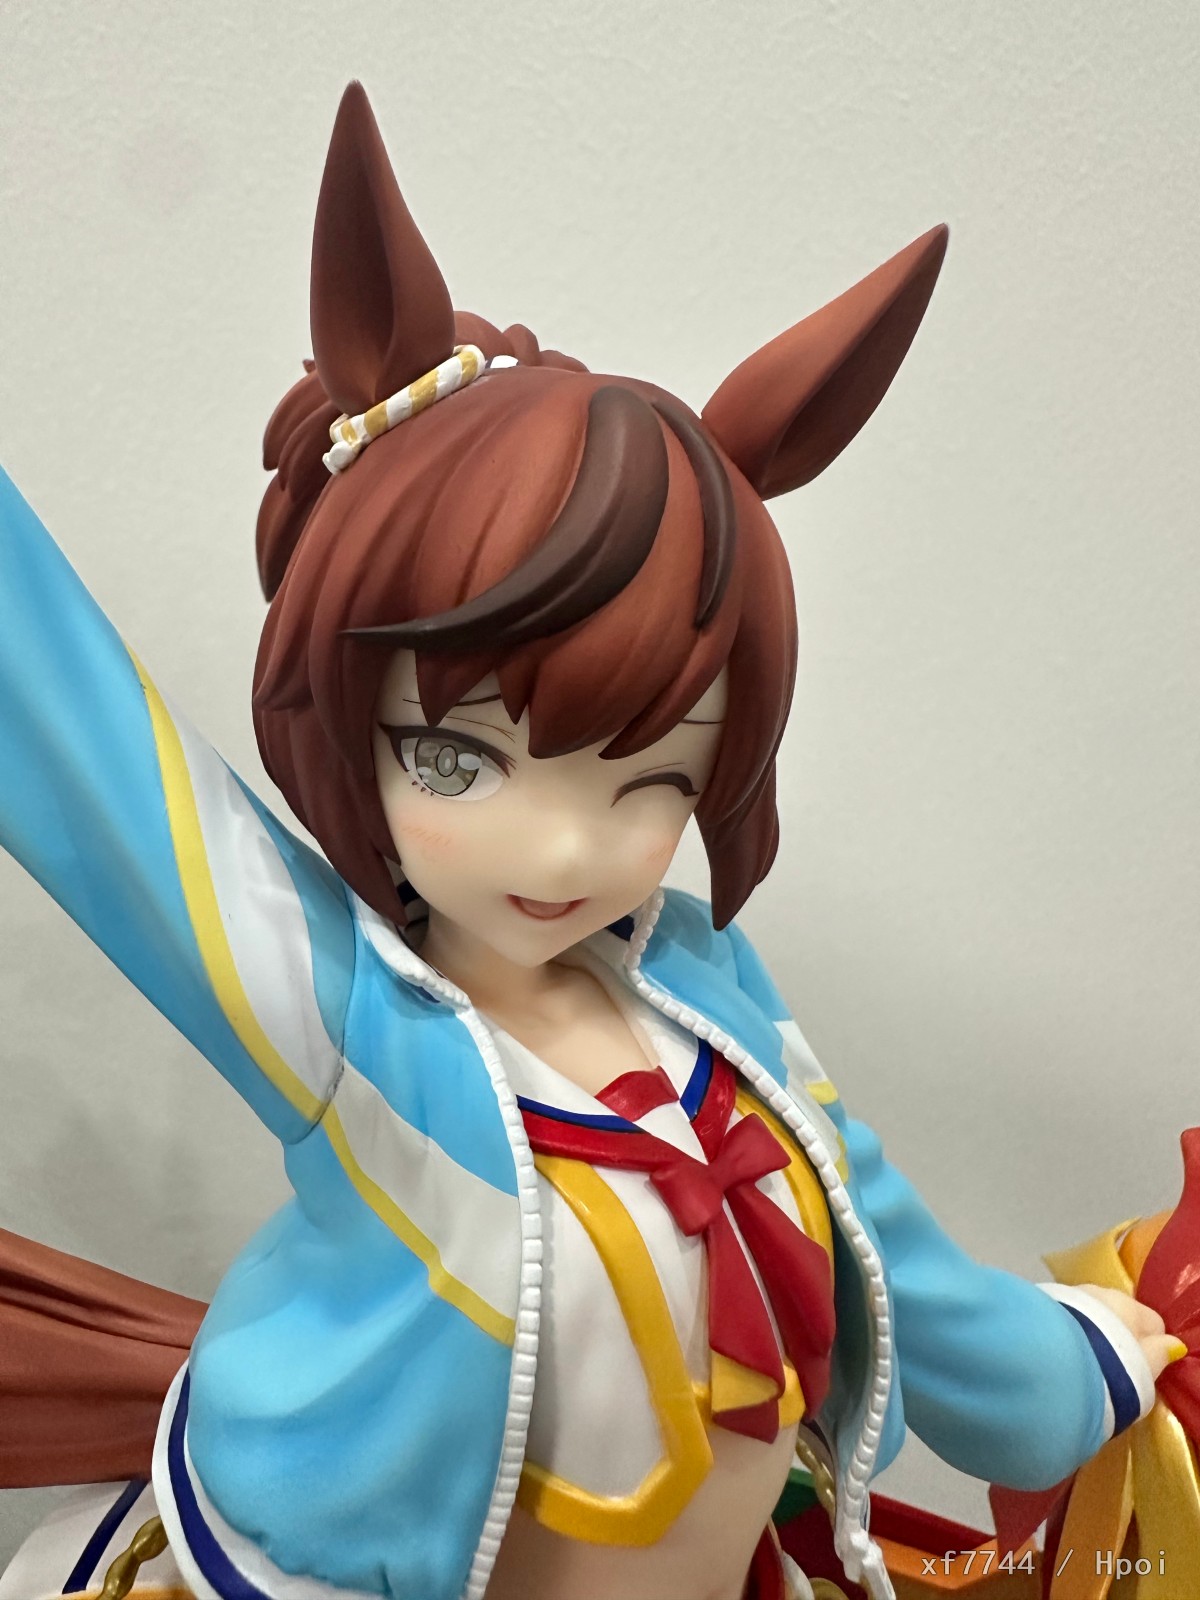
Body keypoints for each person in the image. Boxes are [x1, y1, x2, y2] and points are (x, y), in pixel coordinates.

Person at [0, 82, 1176, 1600]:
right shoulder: (357, 1023)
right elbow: (80, 747)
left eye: (655, 780)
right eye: (458, 758)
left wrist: (1075, 1373)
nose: (561, 851)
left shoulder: (709, 993)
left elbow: (887, 1250)